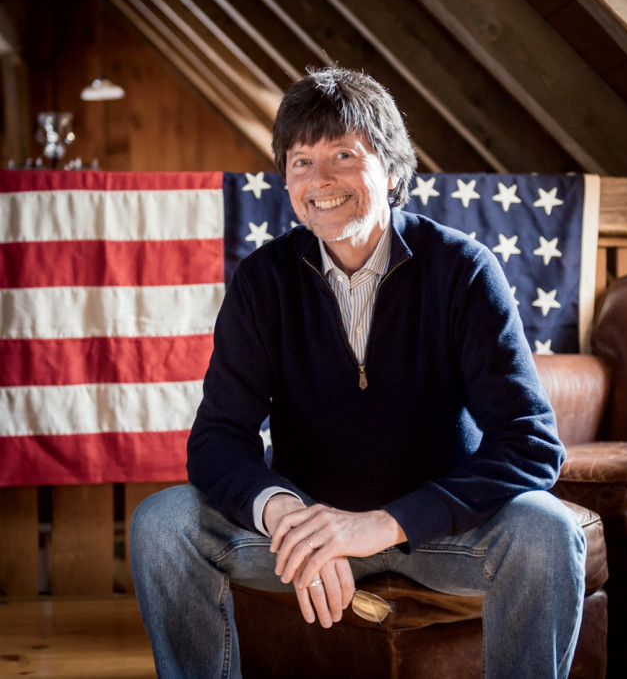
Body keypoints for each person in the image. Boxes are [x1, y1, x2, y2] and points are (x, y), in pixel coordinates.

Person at [130, 66, 586, 679]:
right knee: (161, 525)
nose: (320, 180)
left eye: (344, 155)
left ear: (392, 170)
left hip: (436, 532)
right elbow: (217, 439)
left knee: (548, 533)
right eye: (300, 161)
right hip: (305, 529)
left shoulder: (464, 271)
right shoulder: (262, 281)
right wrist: (285, 514)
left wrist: (382, 524)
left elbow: (530, 443)